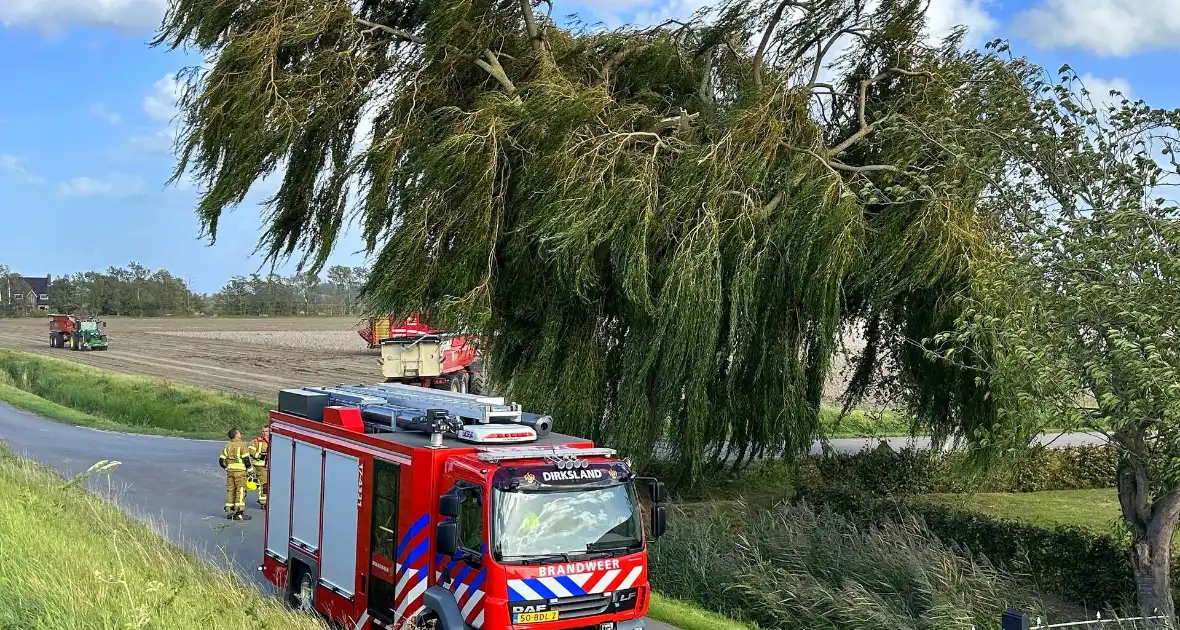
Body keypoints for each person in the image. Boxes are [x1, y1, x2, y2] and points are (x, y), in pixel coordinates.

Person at [219, 428, 253, 520]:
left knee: (230, 490)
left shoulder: (227, 446)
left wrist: (227, 468)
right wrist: (250, 471)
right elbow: (246, 460)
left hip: (230, 472)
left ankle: (230, 512)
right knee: (240, 491)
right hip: (240, 472)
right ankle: (239, 513)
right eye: (239, 432)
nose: (240, 434)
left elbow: (221, 461)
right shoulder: (242, 445)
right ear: (236, 435)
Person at [250, 426, 270, 508]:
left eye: (266, 431)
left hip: (270, 465)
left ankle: (268, 500)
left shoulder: (273, 440)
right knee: (264, 483)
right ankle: (264, 502)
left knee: (270, 483)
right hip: (261, 466)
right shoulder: (256, 441)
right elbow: (251, 451)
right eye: (263, 431)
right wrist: (260, 456)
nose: (264, 433)